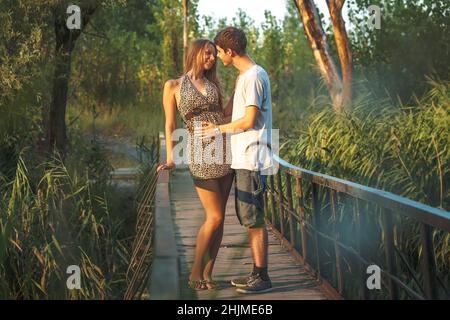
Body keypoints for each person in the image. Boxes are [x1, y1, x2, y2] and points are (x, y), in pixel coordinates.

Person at [195, 27, 274, 293]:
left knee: (253, 218)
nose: (217, 56)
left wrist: (217, 130)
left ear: (230, 51)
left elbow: (250, 121)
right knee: (248, 217)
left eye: (219, 51)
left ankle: (262, 277)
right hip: (244, 158)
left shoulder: (253, 77)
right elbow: (235, 115)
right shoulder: (245, 77)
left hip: (252, 158)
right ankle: (256, 273)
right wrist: (213, 123)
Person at [157, 39, 234, 290]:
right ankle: (194, 273)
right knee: (214, 216)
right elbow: (170, 125)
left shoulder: (214, 84)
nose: (212, 58)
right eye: (208, 53)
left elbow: (223, 115)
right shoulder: (174, 86)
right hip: (200, 154)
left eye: (214, 54)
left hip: (224, 150)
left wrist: (240, 96)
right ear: (196, 53)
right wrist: (170, 158)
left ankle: (208, 274)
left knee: (220, 220)